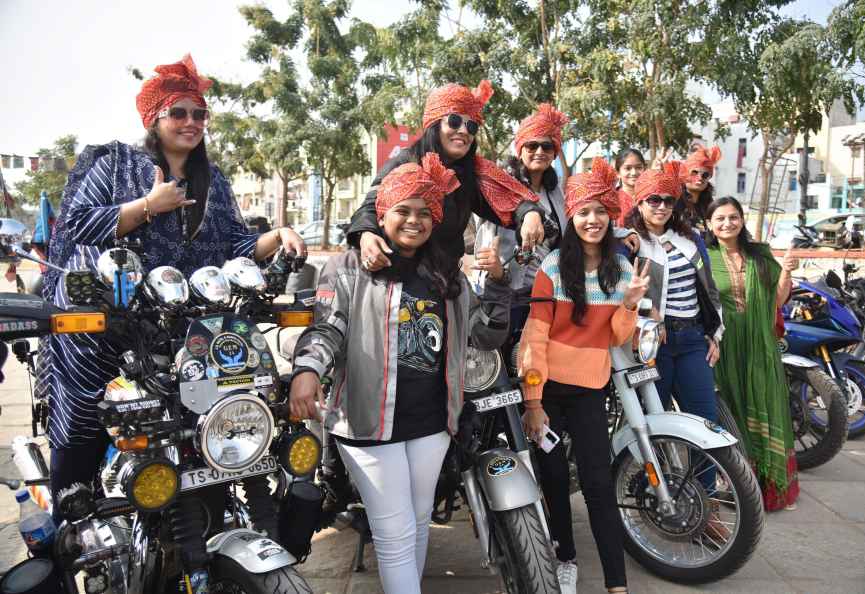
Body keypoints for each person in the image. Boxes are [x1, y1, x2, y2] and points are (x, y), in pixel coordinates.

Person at [41, 54, 306, 516]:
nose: (190, 122)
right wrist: (148, 205)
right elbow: (74, 227)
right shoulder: (111, 163)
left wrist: (277, 236)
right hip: (108, 327)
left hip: (183, 331)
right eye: (178, 112)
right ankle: (66, 528)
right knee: (87, 425)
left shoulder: (212, 181)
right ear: (154, 118)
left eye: (199, 113)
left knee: (204, 427)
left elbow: (234, 246)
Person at [288, 153, 510, 594]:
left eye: (424, 213)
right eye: (403, 211)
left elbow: (484, 335)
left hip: (431, 422)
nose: (414, 221)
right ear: (382, 214)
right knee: (393, 534)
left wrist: (500, 283)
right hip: (368, 423)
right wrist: (308, 369)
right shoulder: (349, 266)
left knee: (417, 521)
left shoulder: (448, 275)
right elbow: (327, 328)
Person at [517, 158, 650, 594]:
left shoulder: (623, 269)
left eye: (600, 211)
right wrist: (533, 403)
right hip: (548, 392)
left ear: (611, 216)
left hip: (591, 390)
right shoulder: (552, 267)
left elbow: (617, 337)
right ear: (571, 216)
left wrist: (628, 303)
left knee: (597, 484)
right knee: (552, 480)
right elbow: (534, 338)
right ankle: (565, 558)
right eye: (583, 212)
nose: (592, 220)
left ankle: (617, 583)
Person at [623, 163, 728, 536]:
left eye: (668, 200)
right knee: (656, 425)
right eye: (654, 199)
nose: (662, 206)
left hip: (693, 341)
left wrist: (715, 334)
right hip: (655, 347)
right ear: (640, 201)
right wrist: (648, 322)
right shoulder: (628, 240)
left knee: (705, 421)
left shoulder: (691, 240)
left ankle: (707, 503)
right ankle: (661, 501)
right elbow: (619, 292)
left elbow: (708, 290)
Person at [347, 80, 546, 273]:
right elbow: (370, 207)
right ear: (434, 124)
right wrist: (366, 235)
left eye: (471, 126)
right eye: (454, 121)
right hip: (397, 278)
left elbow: (510, 203)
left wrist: (530, 213)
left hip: (444, 281)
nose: (463, 131)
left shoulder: (472, 174)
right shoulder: (407, 163)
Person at [705, 196, 800, 511]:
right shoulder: (705, 257)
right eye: (720, 218)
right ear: (709, 224)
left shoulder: (759, 255)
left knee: (766, 405)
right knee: (734, 411)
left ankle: (771, 487)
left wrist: (785, 271)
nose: (727, 223)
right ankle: (739, 486)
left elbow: (779, 297)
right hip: (727, 346)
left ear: (742, 220)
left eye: (733, 217)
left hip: (760, 344)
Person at [473, 103, 569, 337]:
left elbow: (580, 227)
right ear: (520, 148)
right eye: (532, 145)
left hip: (545, 293)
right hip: (502, 288)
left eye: (547, 146)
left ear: (555, 151)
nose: (540, 151)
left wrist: (624, 233)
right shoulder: (501, 183)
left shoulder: (555, 192)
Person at [680, 145, 722, 231]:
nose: (699, 178)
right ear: (685, 175)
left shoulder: (711, 206)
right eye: (694, 173)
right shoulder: (673, 202)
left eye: (705, 175)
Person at [614, 148, 646, 221]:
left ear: (645, 169)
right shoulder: (612, 200)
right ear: (618, 173)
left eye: (638, 167)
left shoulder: (652, 198)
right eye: (628, 168)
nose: (634, 173)